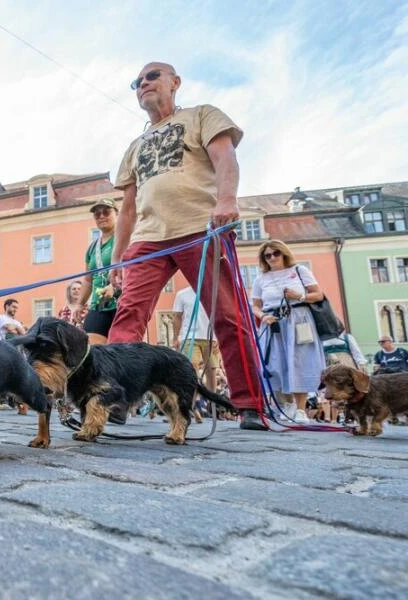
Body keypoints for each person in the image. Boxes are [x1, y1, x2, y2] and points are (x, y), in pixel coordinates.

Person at [108, 61, 262, 430]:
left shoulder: (201, 115)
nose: (143, 83)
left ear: (174, 83)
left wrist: (226, 199)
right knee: (128, 316)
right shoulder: (134, 146)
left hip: (201, 228)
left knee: (227, 315)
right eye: (137, 80)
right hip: (148, 239)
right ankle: (112, 397)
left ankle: (251, 404)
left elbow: (225, 156)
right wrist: (117, 258)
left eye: (152, 76)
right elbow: (127, 207)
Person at [251, 240, 326, 425]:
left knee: (300, 362)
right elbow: (255, 305)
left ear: (284, 253)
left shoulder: (299, 271)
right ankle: (287, 404)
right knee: (274, 365)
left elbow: (318, 295)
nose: (272, 258)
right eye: (267, 255)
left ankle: (301, 409)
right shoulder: (261, 278)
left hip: (298, 319)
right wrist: (263, 316)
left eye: (276, 253)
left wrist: (298, 296)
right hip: (272, 322)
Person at [81, 199, 120, 344]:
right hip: (98, 305)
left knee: (122, 348)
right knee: (92, 349)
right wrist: (79, 304)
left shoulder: (126, 238)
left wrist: (114, 286)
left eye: (106, 212)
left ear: (117, 213)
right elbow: (87, 280)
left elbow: (135, 269)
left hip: (122, 301)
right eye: (97, 214)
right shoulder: (92, 248)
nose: (101, 216)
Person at [171, 286, 220, 393]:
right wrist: (175, 337)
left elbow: (219, 315)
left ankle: (212, 404)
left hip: (210, 337)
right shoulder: (182, 294)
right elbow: (177, 317)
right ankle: (193, 402)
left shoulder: (213, 292)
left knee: (211, 370)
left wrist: (219, 337)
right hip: (189, 337)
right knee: (192, 369)